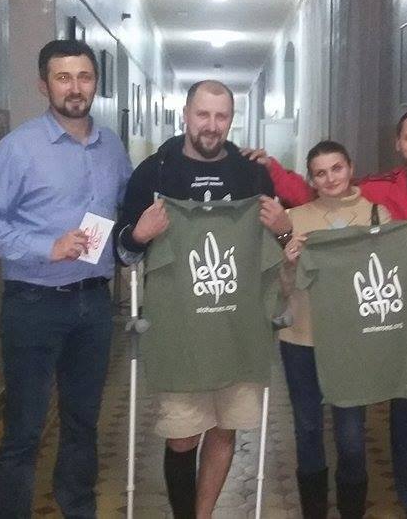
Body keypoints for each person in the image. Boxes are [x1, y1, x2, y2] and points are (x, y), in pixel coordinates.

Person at [254, 107, 407, 518]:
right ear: (398, 143)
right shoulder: (380, 188)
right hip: (389, 329)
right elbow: (320, 197)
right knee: (405, 426)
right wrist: (273, 173)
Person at [0, 39, 132, 518]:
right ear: (44, 85)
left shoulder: (111, 147)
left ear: (95, 83)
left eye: (84, 77)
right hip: (33, 304)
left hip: (94, 304)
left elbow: (127, 205)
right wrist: (45, 246)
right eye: (63, 77)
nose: (75, 88)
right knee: (24, 429)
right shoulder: (19, 148)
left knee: (83, 422)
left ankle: (78, 508)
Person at [112, 80, 291, 519]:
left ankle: (203, 513)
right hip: (179, 330)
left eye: (221, 116)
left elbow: (278, 251)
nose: (211, 125)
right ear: (185, 115)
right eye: (203, 114)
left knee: (225, 429)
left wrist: (284, 229)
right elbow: (122, 251)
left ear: (231, 119)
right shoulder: (154, 173)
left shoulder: (252, 174)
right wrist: (139, 235)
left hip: (237, 325)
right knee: (182, 435)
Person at [276, 140, 390, 518]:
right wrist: (288, 262)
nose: (330, 178)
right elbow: (279, 291)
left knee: (352, 437)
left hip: (353, 342)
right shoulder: (294, 218)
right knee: (308, 429)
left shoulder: (377, 215)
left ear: (350, 167)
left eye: (336, 168)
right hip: (301, 339)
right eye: (320, 173)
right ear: (311, 179)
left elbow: (388, 278)